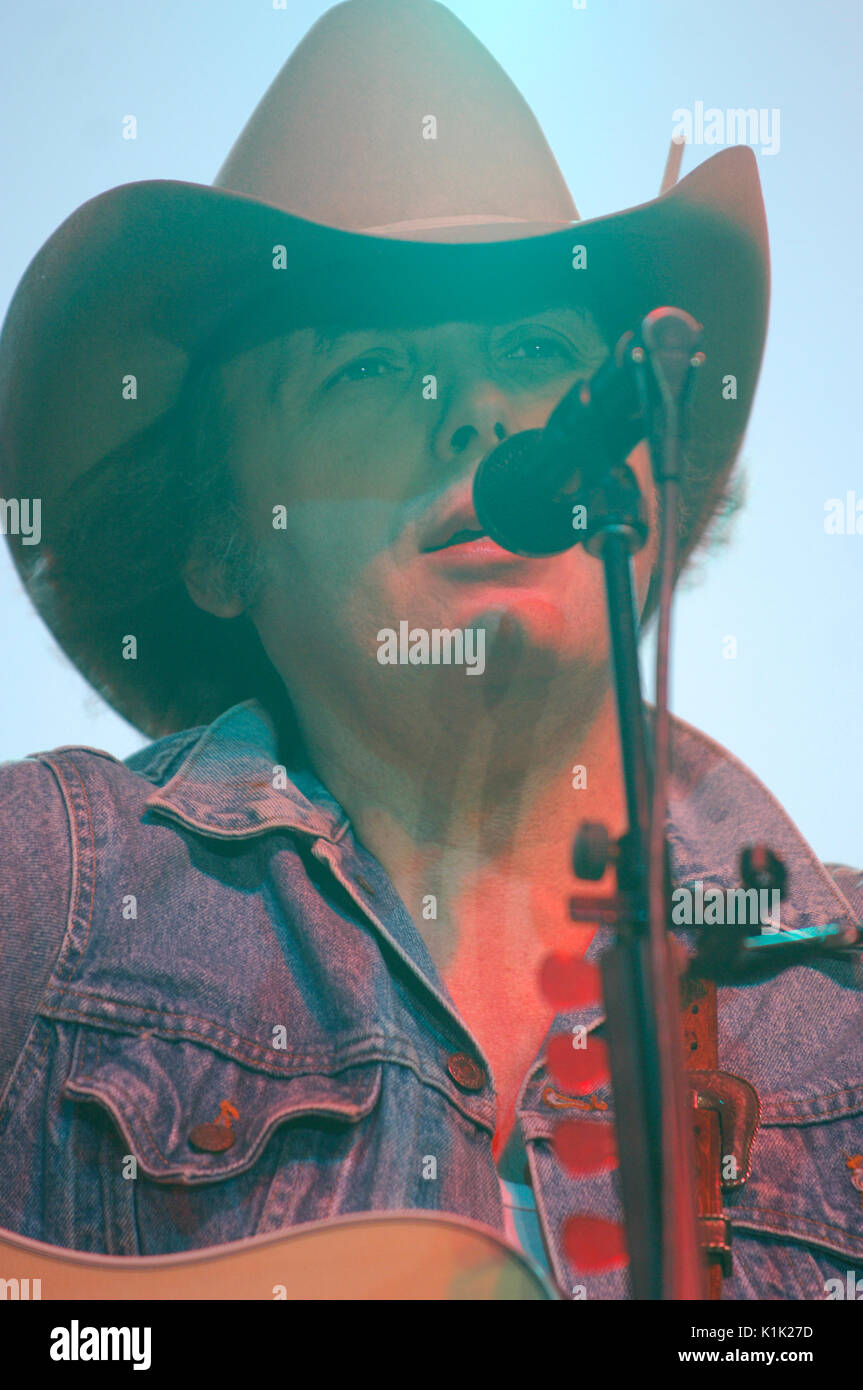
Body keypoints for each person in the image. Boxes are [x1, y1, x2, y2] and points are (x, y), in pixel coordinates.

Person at [0, 0, 860, 1300]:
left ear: (635, 467)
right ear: (220, 538)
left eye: (533, 349)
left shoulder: (842, 1010)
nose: (481, 414)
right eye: (369, 367)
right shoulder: (43, 904)